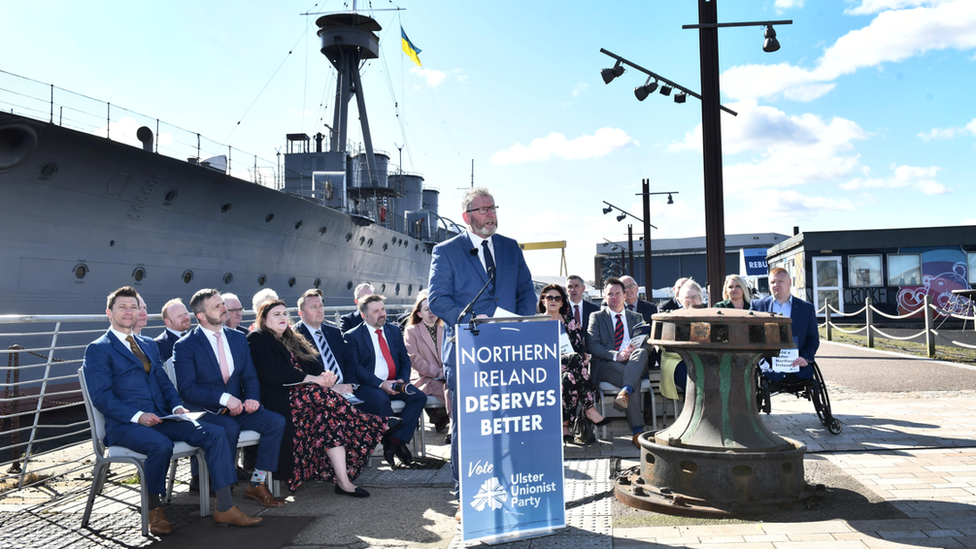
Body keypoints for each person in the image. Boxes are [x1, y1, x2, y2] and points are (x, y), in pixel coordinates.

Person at [83, 287, 261, 535]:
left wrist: (177, 406)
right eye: (122, 307)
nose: (129, 311)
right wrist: (138, 416)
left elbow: (164, 383)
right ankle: (153, 509)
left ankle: (225, 506)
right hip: (125, 425)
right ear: (108, 313)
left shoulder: (147, 344)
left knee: (215, 433)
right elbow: (101, 397)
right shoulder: (98, 349)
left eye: (133, 307)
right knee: (160, 446)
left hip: (162, 417)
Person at [427, 187, 535, 502]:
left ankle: (512, 484)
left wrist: (518, 323)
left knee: (511, 419)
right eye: (483, 209)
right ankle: (467, 493)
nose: (491, 214)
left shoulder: (510, 247)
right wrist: (473, 321)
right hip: (468, 348)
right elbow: (437, 300)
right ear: (467, 217)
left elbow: (526, 291)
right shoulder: (446, 251)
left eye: (492, 208)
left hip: (509, 348)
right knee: (471, 423)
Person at [247, 300, 394, 496]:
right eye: (276, 314)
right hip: (281, 399)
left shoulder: (292, 337)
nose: (282, 317)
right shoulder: (258, 338)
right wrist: (315, 380)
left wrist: (326, 377)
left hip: (308, 399)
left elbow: (314, 364)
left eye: (284, 313)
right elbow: (274, 372)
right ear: (264, 320)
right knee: (320, 392)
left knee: (330, 422)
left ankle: (343, 482)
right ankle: (369, 422)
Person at [172, 289, 287, 508]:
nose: (224, 308)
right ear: (202, 317)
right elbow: (187, 389)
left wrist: (253, 398)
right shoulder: (185, 346)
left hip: (238, 409)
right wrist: (225, 399)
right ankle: (223, 498)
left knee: (276, 422)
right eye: (217, 306)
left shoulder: (237, 338)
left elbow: (250, 376)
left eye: (222, 303)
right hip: (206, 412)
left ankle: (256, 482)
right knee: (228, 428)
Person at [345, 294, 426, 468]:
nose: (382, 313)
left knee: (418, 397)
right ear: (364, 316)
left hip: (396, 381)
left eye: (383, 309)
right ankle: (399, 444)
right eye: (376, 311)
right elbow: (357, 368)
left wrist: (402, 380)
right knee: (382, 401)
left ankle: (392, 441)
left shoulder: (394, 330)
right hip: (371, 385)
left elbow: (404, 359)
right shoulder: (353, 336)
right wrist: (382, 384)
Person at [537, 284, 610, 441]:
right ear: (543, 301)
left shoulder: (571, 322)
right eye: (549, 297)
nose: (553, 301)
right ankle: (589, 408)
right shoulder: (536, 323)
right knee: (574, 359)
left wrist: (585, 357)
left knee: (569, 378)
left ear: (563, 302)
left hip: (569, 367)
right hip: (545, 367)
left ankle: (565, 427)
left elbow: (578, 349)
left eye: (557, 298)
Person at [587, 277, 650, 448]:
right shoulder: (597, 317)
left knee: (642, 351)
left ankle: (625, 391)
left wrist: (631, 352)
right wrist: (617, 355)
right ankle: (637, 431)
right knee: (632, 378)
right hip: (608, 365)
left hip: (634, 361)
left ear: (624, 295)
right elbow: (592, 345)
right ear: (604, 297)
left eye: (618, 293)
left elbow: (646, 343)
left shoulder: (636, 317)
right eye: (610, 294)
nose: (614, 297)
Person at [750, 267, 820, 382]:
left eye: (780, 281)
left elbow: (813, 338)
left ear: (789, 282)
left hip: (797, 363)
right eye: (772, 282)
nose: (776, 285)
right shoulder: (758, 307)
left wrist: (805, 358)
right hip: (768, 364)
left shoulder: (806, 308)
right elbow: (752, 338)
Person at [402, 290, 450, 438]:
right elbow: (414, 359)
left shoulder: (445, 330)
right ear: (419, 314)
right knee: (451, 389)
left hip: (444, 376)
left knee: (455, 386)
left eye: (433, 308)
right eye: (426, 309)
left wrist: (447, 371)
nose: (431, 312)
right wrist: (437, 372)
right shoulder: (412, 331)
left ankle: (450, 422)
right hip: (425, 378)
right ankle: (454, 428)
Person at [659, 279, 704, 400]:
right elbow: (666, 348)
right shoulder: (672, 317)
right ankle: (693, 413)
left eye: (694, 296)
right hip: (677, 360)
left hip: (704, 359)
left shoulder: (710, 316)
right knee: (692, 382)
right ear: (680, 300)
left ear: (701, 298)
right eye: (687, 297)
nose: (691, 300)